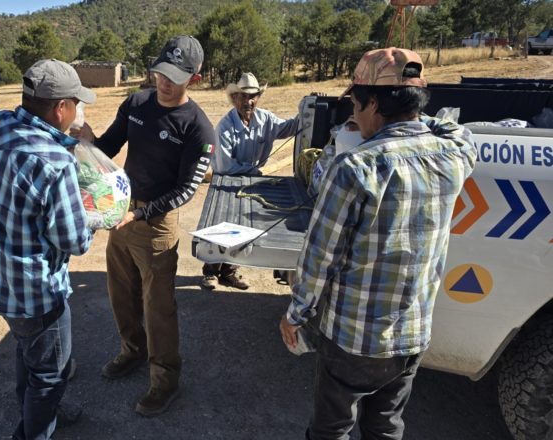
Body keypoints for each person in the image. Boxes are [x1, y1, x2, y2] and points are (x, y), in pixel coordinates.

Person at [279, 47, 477, 440]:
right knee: (386, 427)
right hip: (413, 333)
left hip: (354, 338)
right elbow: (458, 130)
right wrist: (415, 108)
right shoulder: (454, 155)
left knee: (331, 429)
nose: (352, 114)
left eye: (355, 102)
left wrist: (295, 314)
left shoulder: (356, 167)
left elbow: (321, 257)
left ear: (374, 102)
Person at [76, 35, 215, 416]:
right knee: (120, 293)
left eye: (174, 77)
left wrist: (141, 213)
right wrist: (89, 145)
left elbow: (186, 189)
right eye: (160, 72)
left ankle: (165, 379)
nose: (164, 82)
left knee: (158, 307)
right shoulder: (136, 102)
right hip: (121, 214)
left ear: (195, 79)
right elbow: (109, 146)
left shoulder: (199, 128)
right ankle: (132, 352)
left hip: (156, 226)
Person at [0, 59, 95, 440]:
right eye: (76, 103)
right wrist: (96, 211)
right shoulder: (55, 162)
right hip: (36, 293)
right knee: (49, 374)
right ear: (61, 108)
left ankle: (43, 411)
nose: (79, 111)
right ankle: (34, 428)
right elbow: (75, 241)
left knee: (30, 352)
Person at [202, 71, 300, 291]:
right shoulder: (225, 126)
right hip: (226, 180)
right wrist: (255, 172)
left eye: (253, 96)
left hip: (251, 178)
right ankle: (210, 271)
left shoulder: (265, 119)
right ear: (235, 98)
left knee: (242, 225)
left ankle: (229, 272)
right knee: (223, 224)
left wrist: (308, 110)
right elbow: (227, 166)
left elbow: (290, 128)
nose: (249, 101)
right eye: (244, 96)